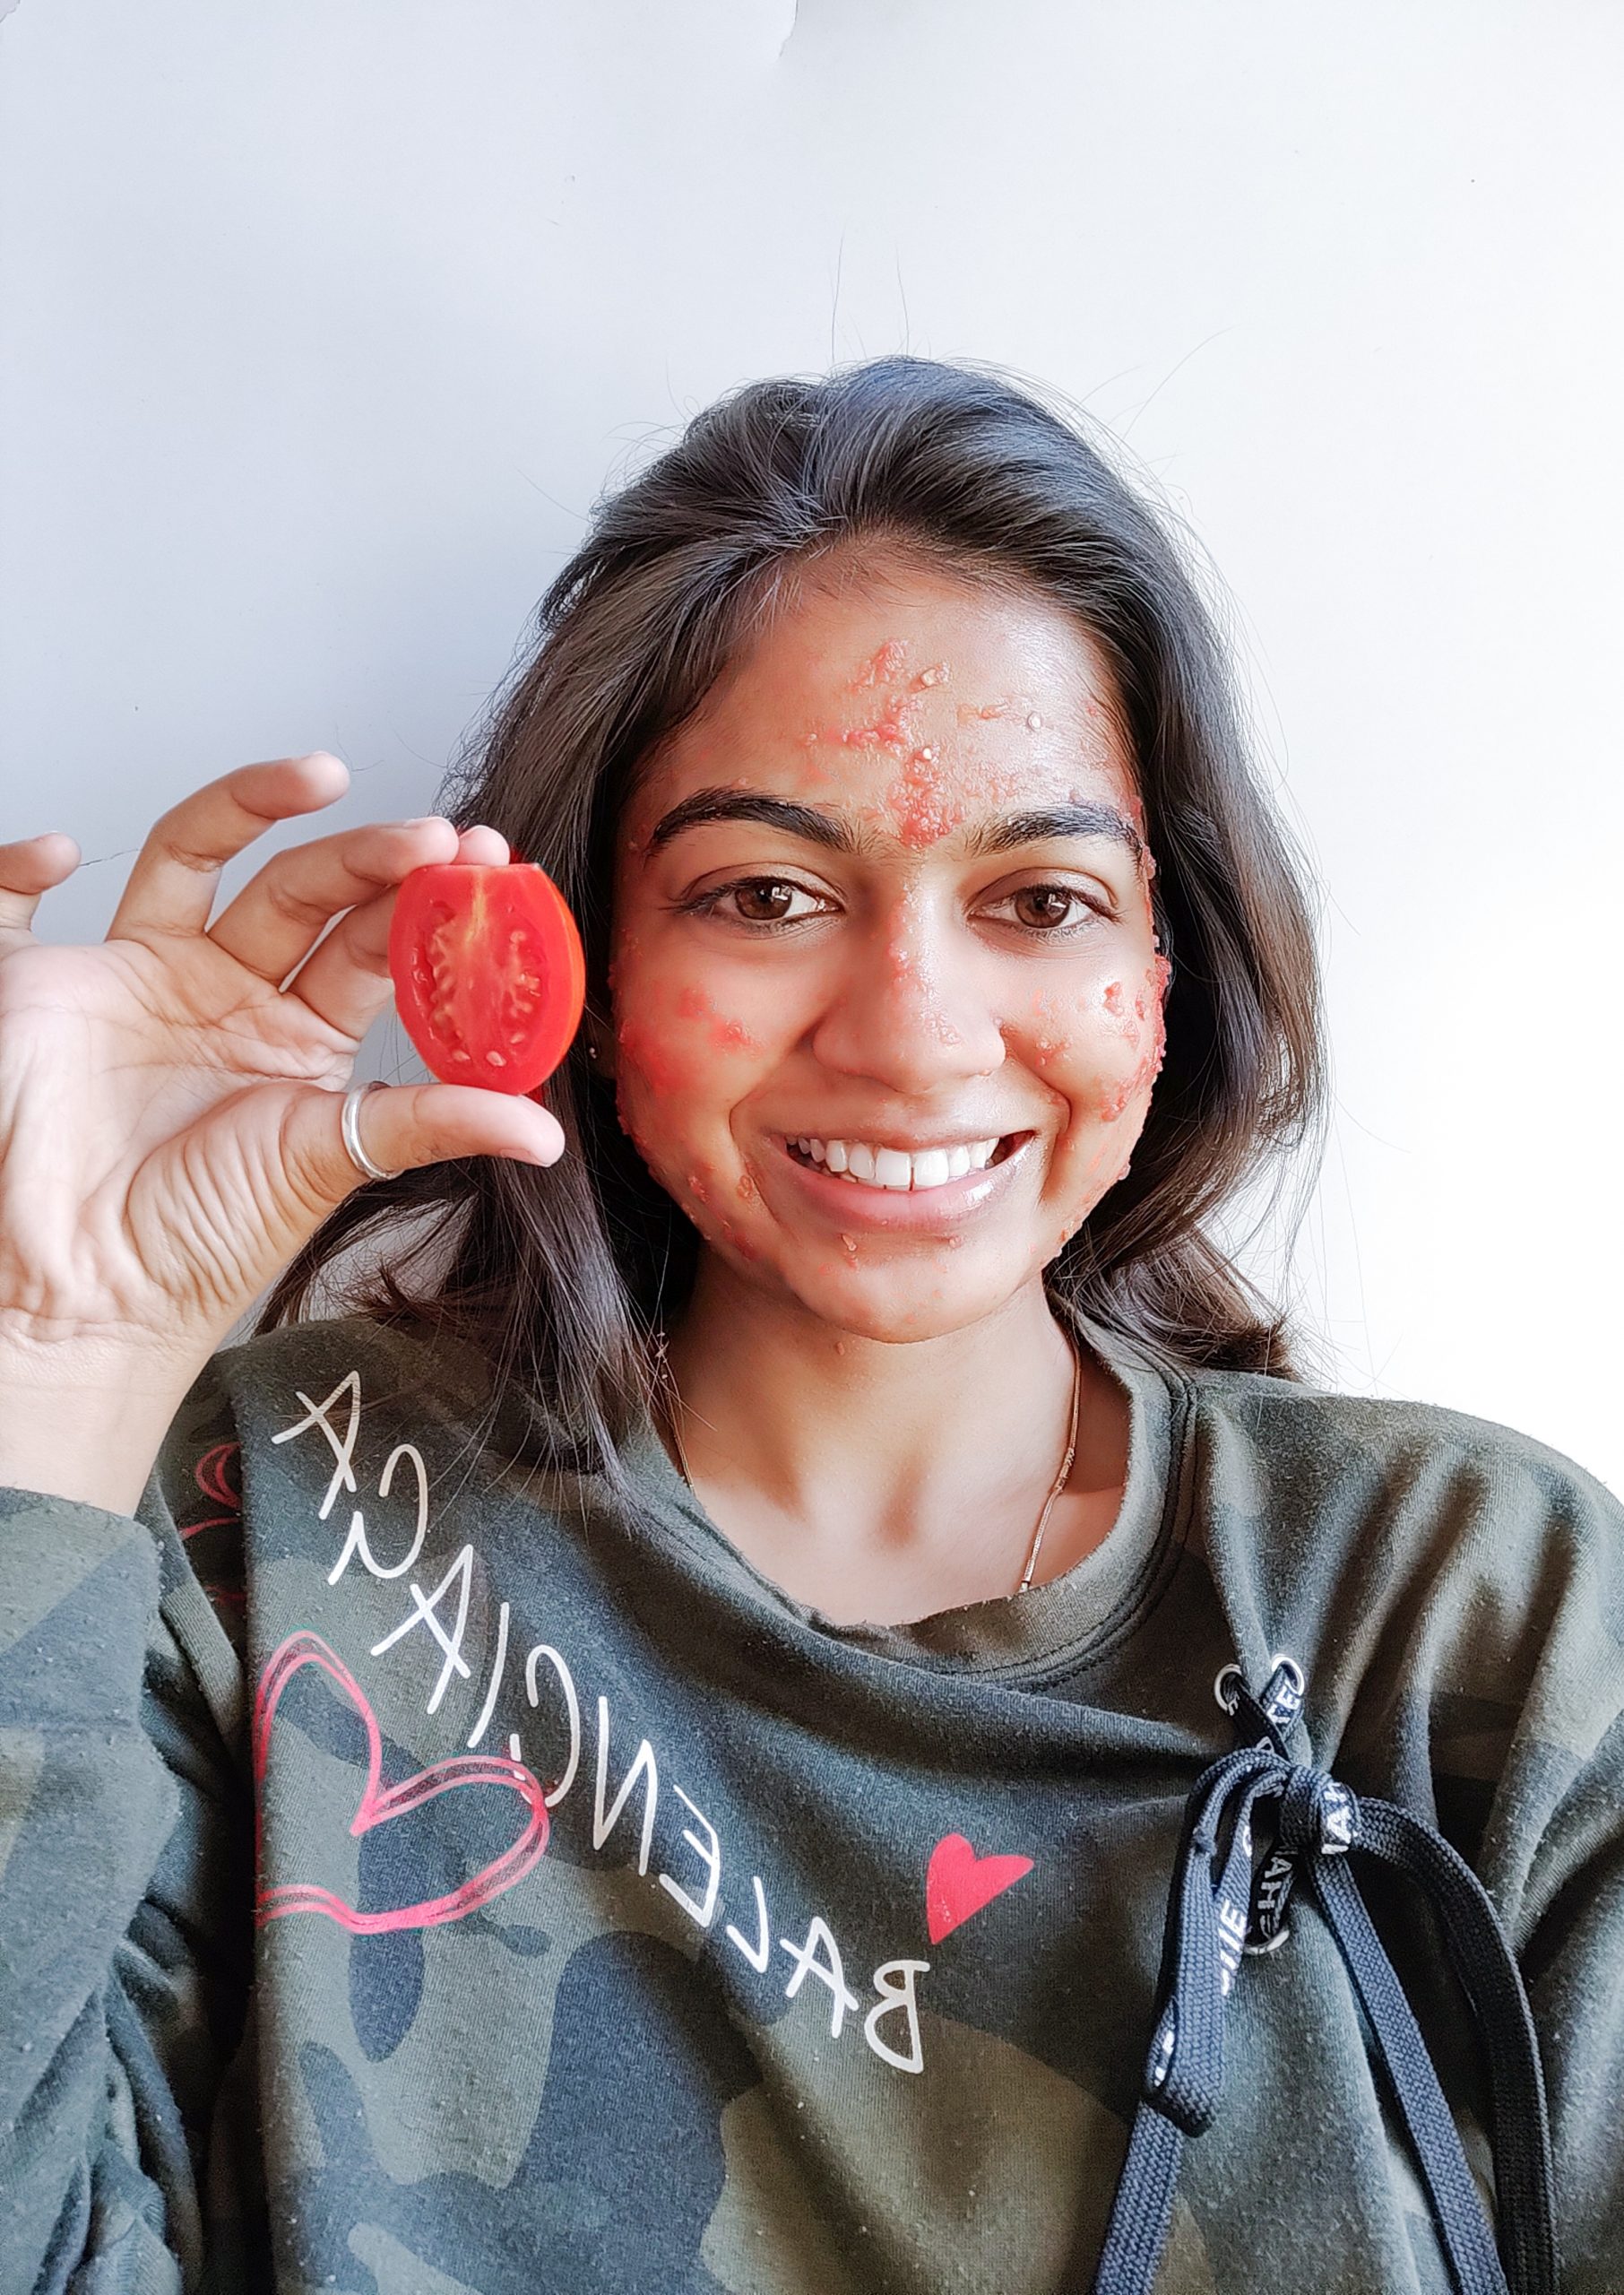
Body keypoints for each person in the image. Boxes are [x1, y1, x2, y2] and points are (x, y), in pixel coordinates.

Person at [0, 357, 1617, 2295]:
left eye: (1040, 896)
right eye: (765, 892)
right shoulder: (261, 1521)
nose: (915, 1032)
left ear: (1171, 963)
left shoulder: (1472, 1604)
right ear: (585, 960)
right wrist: (53, 1357)